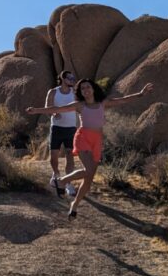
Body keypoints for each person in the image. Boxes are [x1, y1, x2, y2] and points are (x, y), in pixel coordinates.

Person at [26, 78, 154, 218]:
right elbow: (57, 109)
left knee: (89, 177)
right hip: (83, 138)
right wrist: (37, 110)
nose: (85, 90)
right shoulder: (80, 105)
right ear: (80, 92)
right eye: (82, 88)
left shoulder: (102, 103)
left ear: (93, 89)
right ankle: (61, 181)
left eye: (88, 87)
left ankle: (74, 205)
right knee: (88, 170)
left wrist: (141, 94)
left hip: (97, 141)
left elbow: (122, 100)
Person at [45, 70, 78, 198]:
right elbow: (48, 107)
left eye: (73, 78)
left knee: (70, 155)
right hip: (57, 128)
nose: (72, 80)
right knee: (54, 156)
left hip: (71, 128)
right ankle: (56, 175)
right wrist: (54, 113)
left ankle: (68, 183)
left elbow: (80, 106)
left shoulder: (74, 92)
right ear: (63, 79)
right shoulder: (53, 92)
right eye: (70, 78)